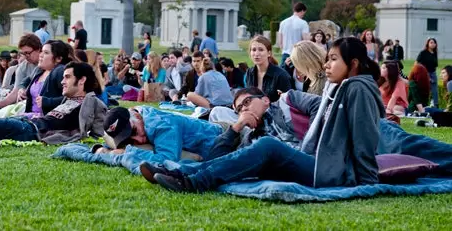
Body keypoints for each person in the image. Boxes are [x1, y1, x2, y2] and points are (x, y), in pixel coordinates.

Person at [146, 36, 385, 193]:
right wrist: (238, 126)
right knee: (257, 150)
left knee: (269, 145)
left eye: (333, 59)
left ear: (353, 63)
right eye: (239, 108)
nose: (326, 65)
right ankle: (180, 173)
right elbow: (223, 156)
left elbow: (365, 137)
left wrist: (366, 184)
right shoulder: (251, 131)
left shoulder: (356, 89)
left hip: (333, 171)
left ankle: (192, 183)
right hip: (312, 163)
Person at [94, 105, 223, 163]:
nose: (138, 140)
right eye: (127, 138)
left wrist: (126, 152)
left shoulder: (161, 126)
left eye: (134, 131)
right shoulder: (137, 118)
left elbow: (166, 161)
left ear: (138, 116)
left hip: (223, 140)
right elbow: (109, 139)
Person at [245, 35, 293, 102]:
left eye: (261, 50)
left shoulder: (281, 75)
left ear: (269, 53)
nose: (256, 53)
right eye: (253, 50)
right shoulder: (249, 72)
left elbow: (289, 102)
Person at [277, 2, 310, 66]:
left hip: (285, 54)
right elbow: (306, 41)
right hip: (298, 55)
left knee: (284, 75)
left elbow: (279, 42)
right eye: (304, 13)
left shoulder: (283, 23)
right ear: (302, 11)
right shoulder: (303, 23)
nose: (303, 15)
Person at [417, 37, 439, 108]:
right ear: (428, 43)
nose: (433, 44)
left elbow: (435, 65)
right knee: (424, 90)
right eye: (431, 42)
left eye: (434, 43)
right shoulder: (423, 53)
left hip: (433, 73)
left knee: (435, 91)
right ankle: (422, 106)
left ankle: (435, 106)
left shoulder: (434, 53)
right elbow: (417, 63)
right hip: (425, 73)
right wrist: (425, 74)